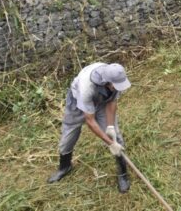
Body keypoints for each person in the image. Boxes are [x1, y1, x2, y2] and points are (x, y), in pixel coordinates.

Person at [47, 62, 133, 193]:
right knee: (68, 137)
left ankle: (122, 175)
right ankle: (64, 167)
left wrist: (110, 128)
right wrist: (110, 143)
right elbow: (90, 121)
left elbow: (112, 103)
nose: (118, 88)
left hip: (102, 100)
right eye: (115, 86)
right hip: (77, 103)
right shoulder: (87, 87)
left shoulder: (114, 80)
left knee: (117, 137)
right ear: (107, 82)